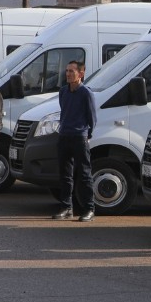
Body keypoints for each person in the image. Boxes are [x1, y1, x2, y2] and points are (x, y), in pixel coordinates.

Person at [54, 61, 97, 222]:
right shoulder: (63, 91)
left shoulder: (86, 93)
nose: (68, 74)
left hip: (79, 137)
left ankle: (89, 209)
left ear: (81, 74)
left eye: (72, 71)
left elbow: (92, 117)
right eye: (67, 71)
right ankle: (66, 207)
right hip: (64, 136)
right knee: (65, 174)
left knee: (84, 174)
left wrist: (87, 134)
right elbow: (64, 110)